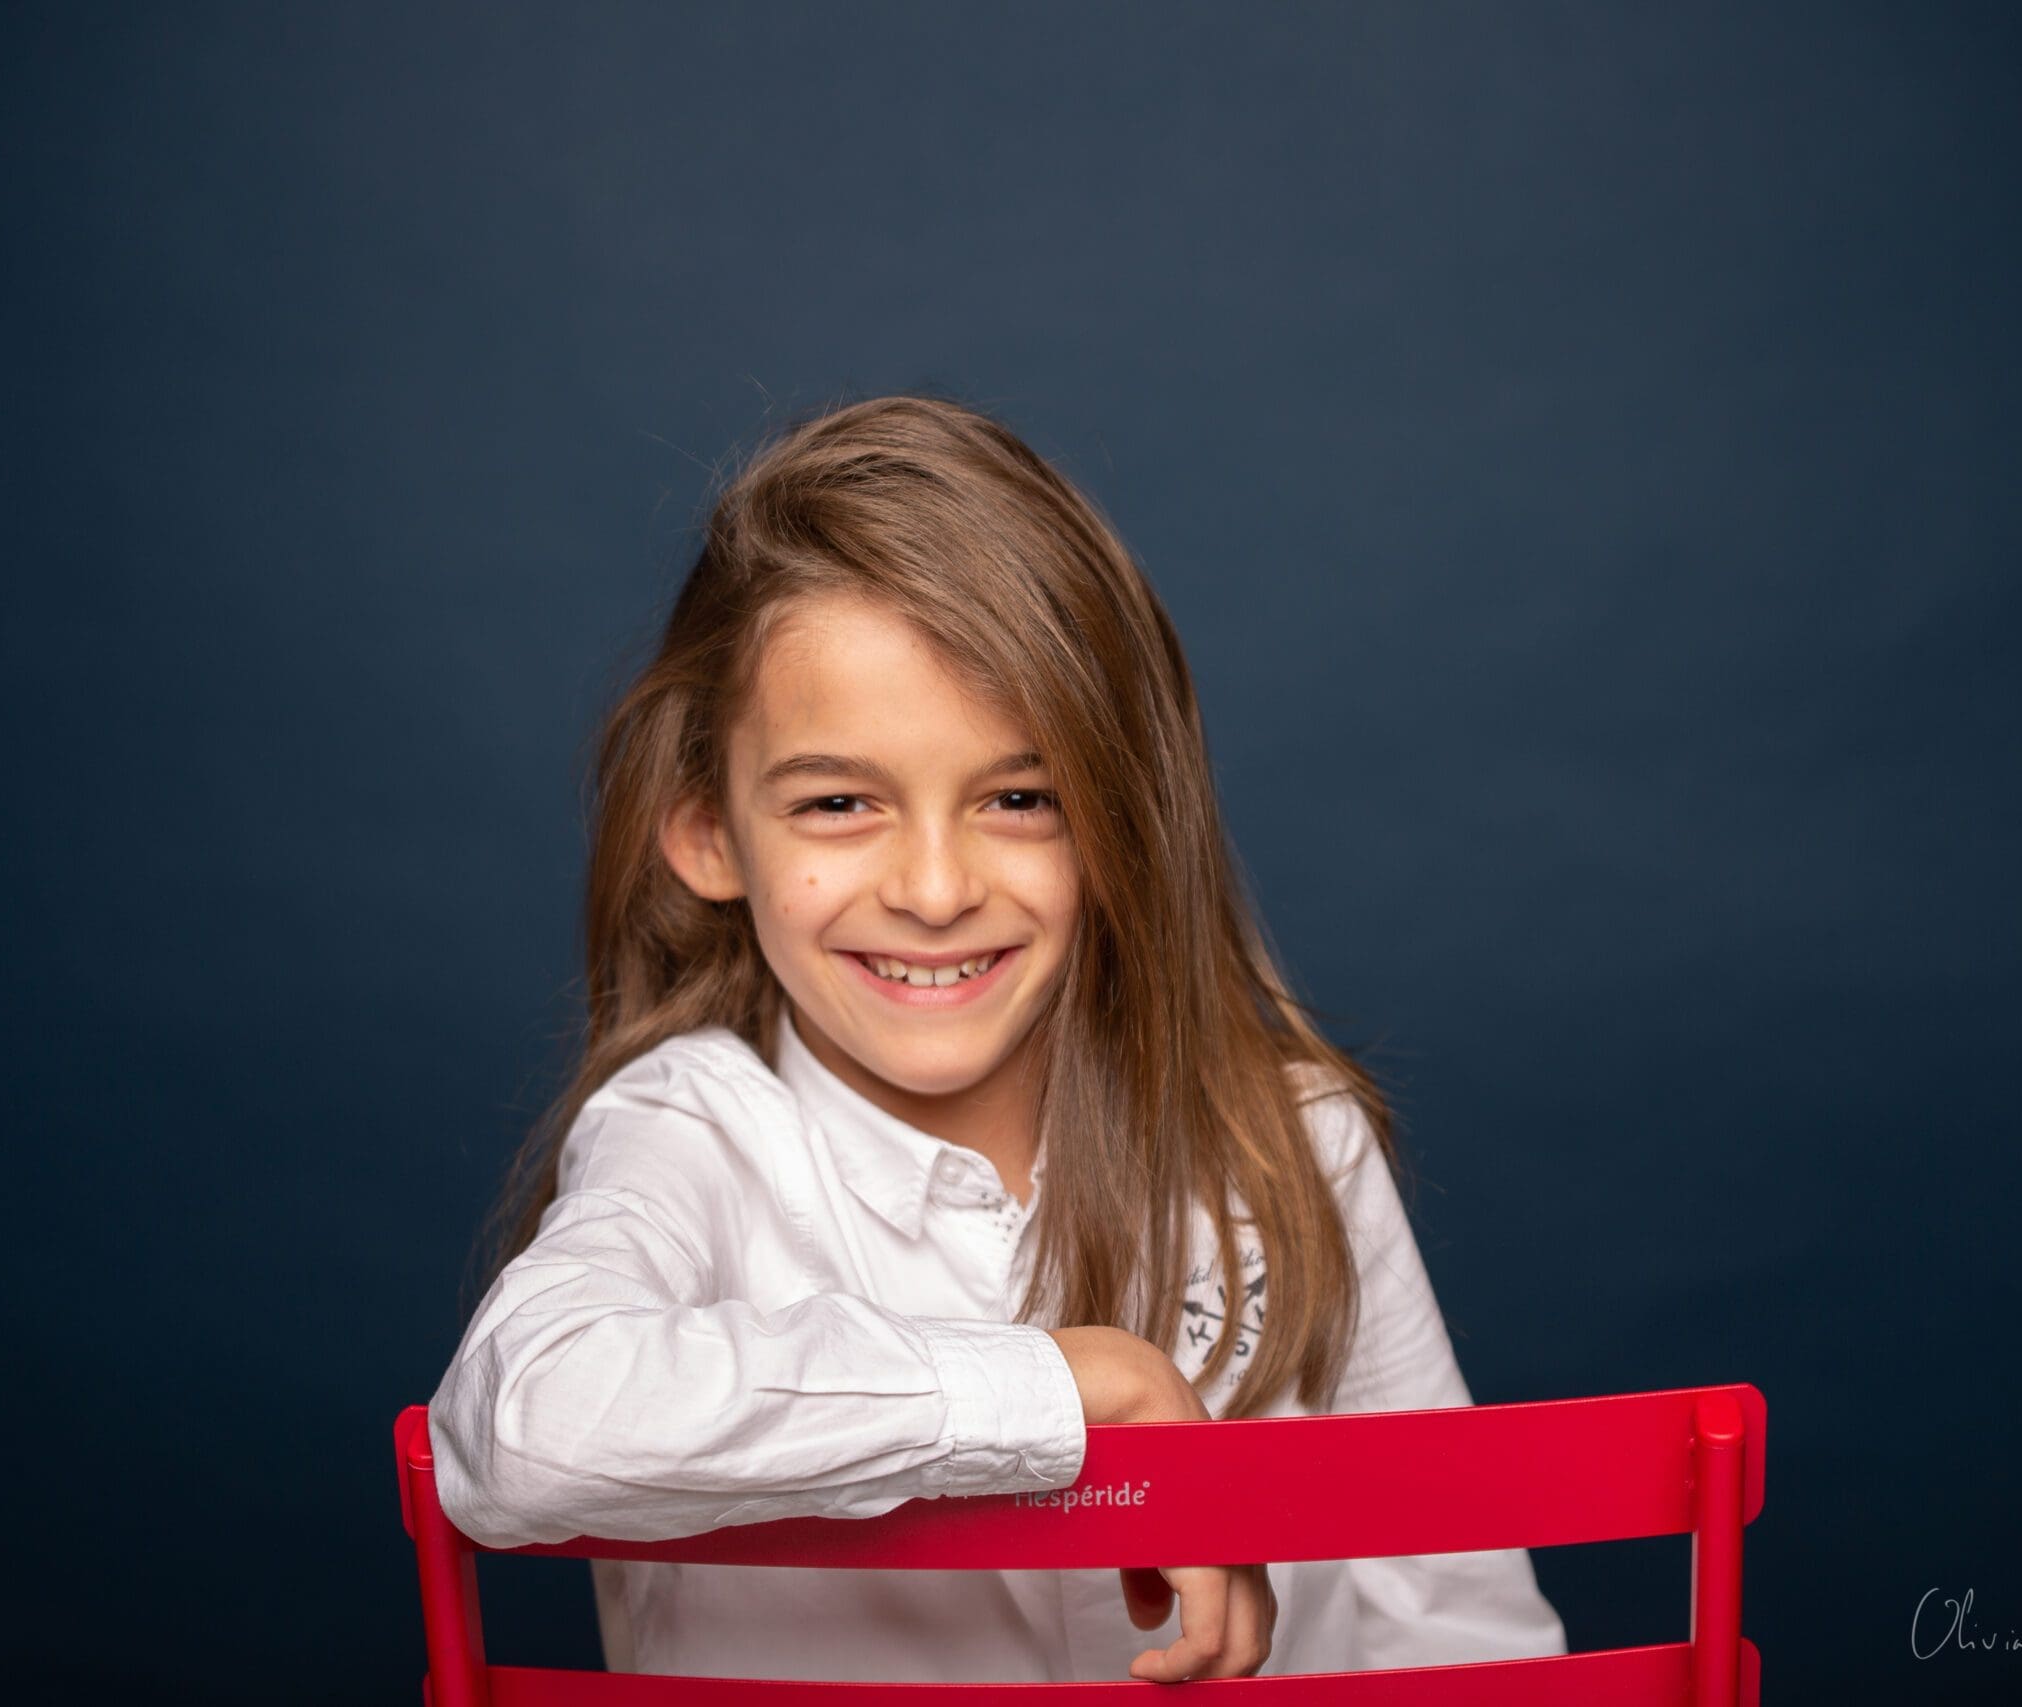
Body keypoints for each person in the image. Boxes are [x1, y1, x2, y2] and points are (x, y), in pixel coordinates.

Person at [427, 392, 1567, 1683]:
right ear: (706, 833)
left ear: (1120, 819)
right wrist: (1063, 1389)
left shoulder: (1290, 1143)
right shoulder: (696, 1134)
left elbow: (1467, 1630)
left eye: (1020, 798)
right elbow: (522, 1424)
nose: (934, 889)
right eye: (838, 803)